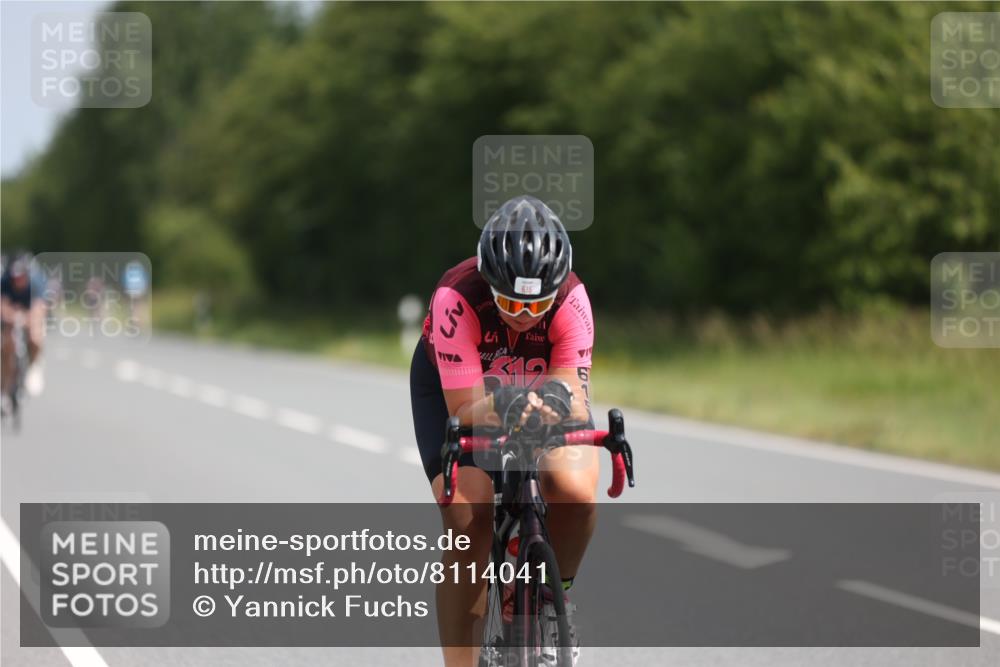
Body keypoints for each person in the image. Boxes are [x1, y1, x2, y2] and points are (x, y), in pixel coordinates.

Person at [410, 195, 596, 666]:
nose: (523, 315)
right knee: (466, 521)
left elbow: (571, 389)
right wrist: (510, 405)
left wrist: (551, 405)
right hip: (463, 393)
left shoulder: (573, 298)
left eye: (538, 304)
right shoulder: (457, 296)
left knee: (573, 489)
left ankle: (555, 599)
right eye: (510, 301)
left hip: (538, 388)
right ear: (489, 282)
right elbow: (467, 407)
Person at [1, 253, 48, 404]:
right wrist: (13, 316)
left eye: (21, 276)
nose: (18, 280)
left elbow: (39, 309)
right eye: (15, 276)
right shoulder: (5, 281)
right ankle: (5, 385)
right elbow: (2, 305)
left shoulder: (36, 282)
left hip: (31, 315)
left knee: (35, 338)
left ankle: (32, 367)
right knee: (7, 344)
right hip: (12, 315)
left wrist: (28, 319)